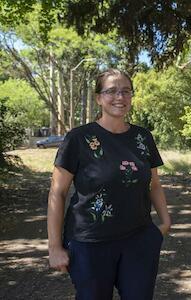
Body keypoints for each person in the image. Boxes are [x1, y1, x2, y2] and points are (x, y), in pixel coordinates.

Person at [47, 68, 171, 300]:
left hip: (139, 240)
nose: (120, 97)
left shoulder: (143, 138)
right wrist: (55, 247)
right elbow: (57, 192)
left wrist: (165, 223)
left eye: (126, 91)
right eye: (111, 91)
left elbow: (153, 184)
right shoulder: (78, 138)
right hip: (89, 244)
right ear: (98, 98)